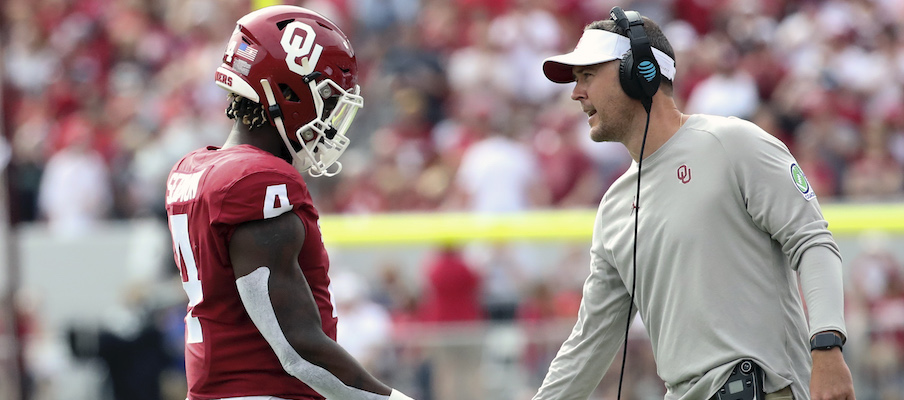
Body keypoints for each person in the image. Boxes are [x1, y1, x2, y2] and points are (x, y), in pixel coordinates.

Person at [533, 7, 855, 400]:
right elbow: (590, 342)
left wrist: (826, 348)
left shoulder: (735, 143)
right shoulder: (615, 206)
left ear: (640, 73)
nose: (575, 93)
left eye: (587, 76)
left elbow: (812, 242)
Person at [163, 6, 414, 400]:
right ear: (287, 89)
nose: (331, 115)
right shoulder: (258, 180)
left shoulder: (193, 170)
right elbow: (297, 349)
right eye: (327, 99)